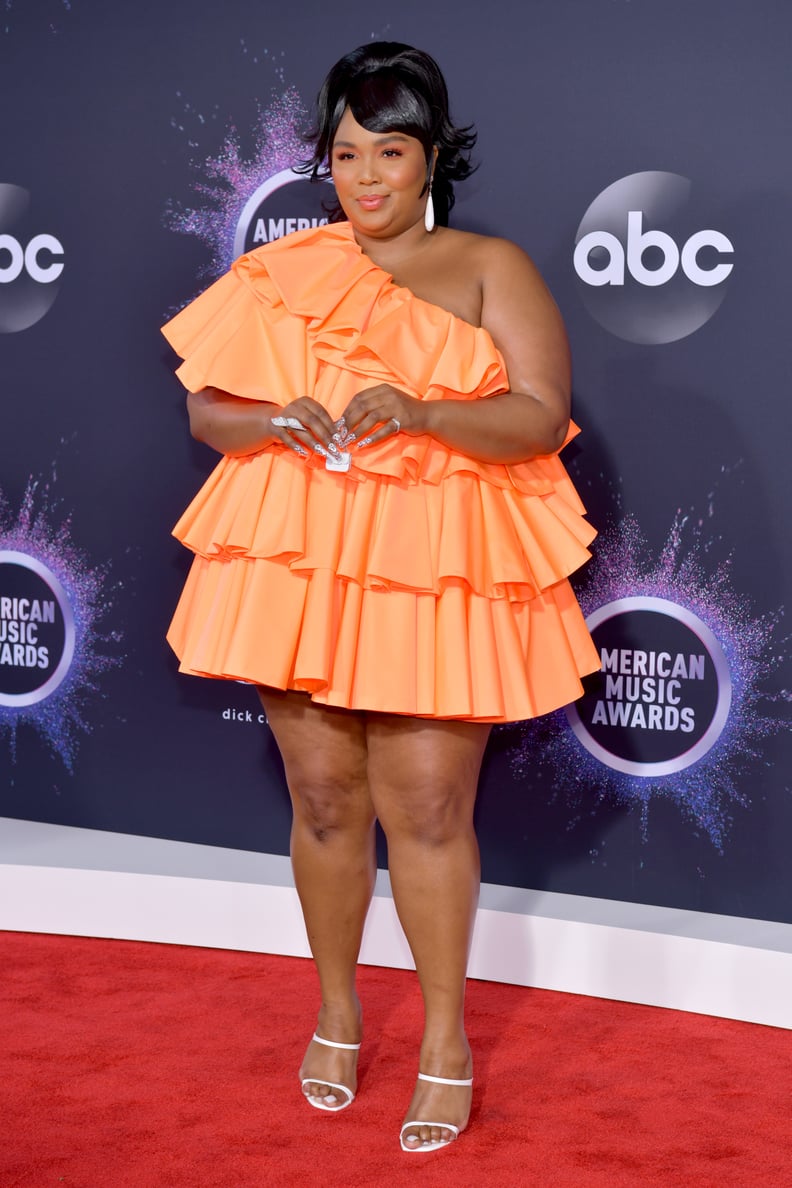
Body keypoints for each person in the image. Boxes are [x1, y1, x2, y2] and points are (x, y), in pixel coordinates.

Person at [162, 41, 599, 1153]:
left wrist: (426, 411)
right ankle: (339, 1013)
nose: (364, 178)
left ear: (433, 156)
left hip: (439, 560)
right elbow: (209, 413)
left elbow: (541, 417)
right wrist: (274, 422)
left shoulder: (492, 265)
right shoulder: (285, 269)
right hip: (305, 553)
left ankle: (445, 1043)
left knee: (431, 809)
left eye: (388, 153)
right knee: (320, 799)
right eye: (345, 154)